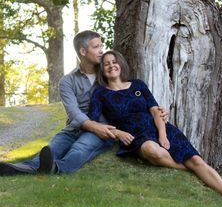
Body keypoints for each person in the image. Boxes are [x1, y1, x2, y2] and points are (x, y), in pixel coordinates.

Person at [0, 30, 169, 176]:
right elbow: (74, 113)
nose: (101, 51)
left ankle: (57, 169)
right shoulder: (67, 81)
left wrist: (158, 111)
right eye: (96, 47)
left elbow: (132, 96)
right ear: (83, 51)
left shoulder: (108, 74)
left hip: (104, 130)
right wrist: (94, 126)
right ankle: (22, 168)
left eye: (101, 46)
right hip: (75, 128)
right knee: (52, 149)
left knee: (80, 148)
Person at [88, 50, 222, 204]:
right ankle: (192, 171)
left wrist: (162, 134)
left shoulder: (138, 85)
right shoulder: (100, 93)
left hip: (159, 128)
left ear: (121, 64)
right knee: (152, 150)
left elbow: (155, 110)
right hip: (136, 135)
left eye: (114, 61)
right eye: (106, 64)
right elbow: (93, 122)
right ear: (102, 70)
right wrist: (117, 133)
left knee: (197, 160)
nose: (111, 66)